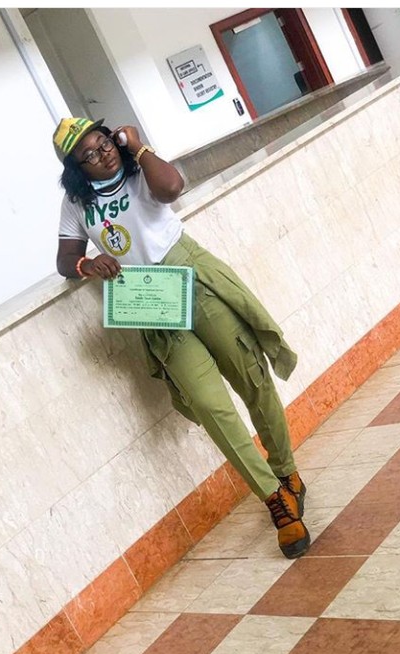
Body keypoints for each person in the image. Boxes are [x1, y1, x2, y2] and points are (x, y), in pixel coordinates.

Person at [53, 117, 310, 559]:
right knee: (209, 403)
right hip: (150, 299)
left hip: (189, 271)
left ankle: (287, 471)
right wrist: (87, 265)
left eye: (104, 143)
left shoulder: (138, 167)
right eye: (89, 155)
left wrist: (138, 147)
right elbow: (65, 258)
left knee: (251, 374)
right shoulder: (76, 203)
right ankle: (274, 498)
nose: (102, 155)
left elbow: (172, 188)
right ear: (77, 168)